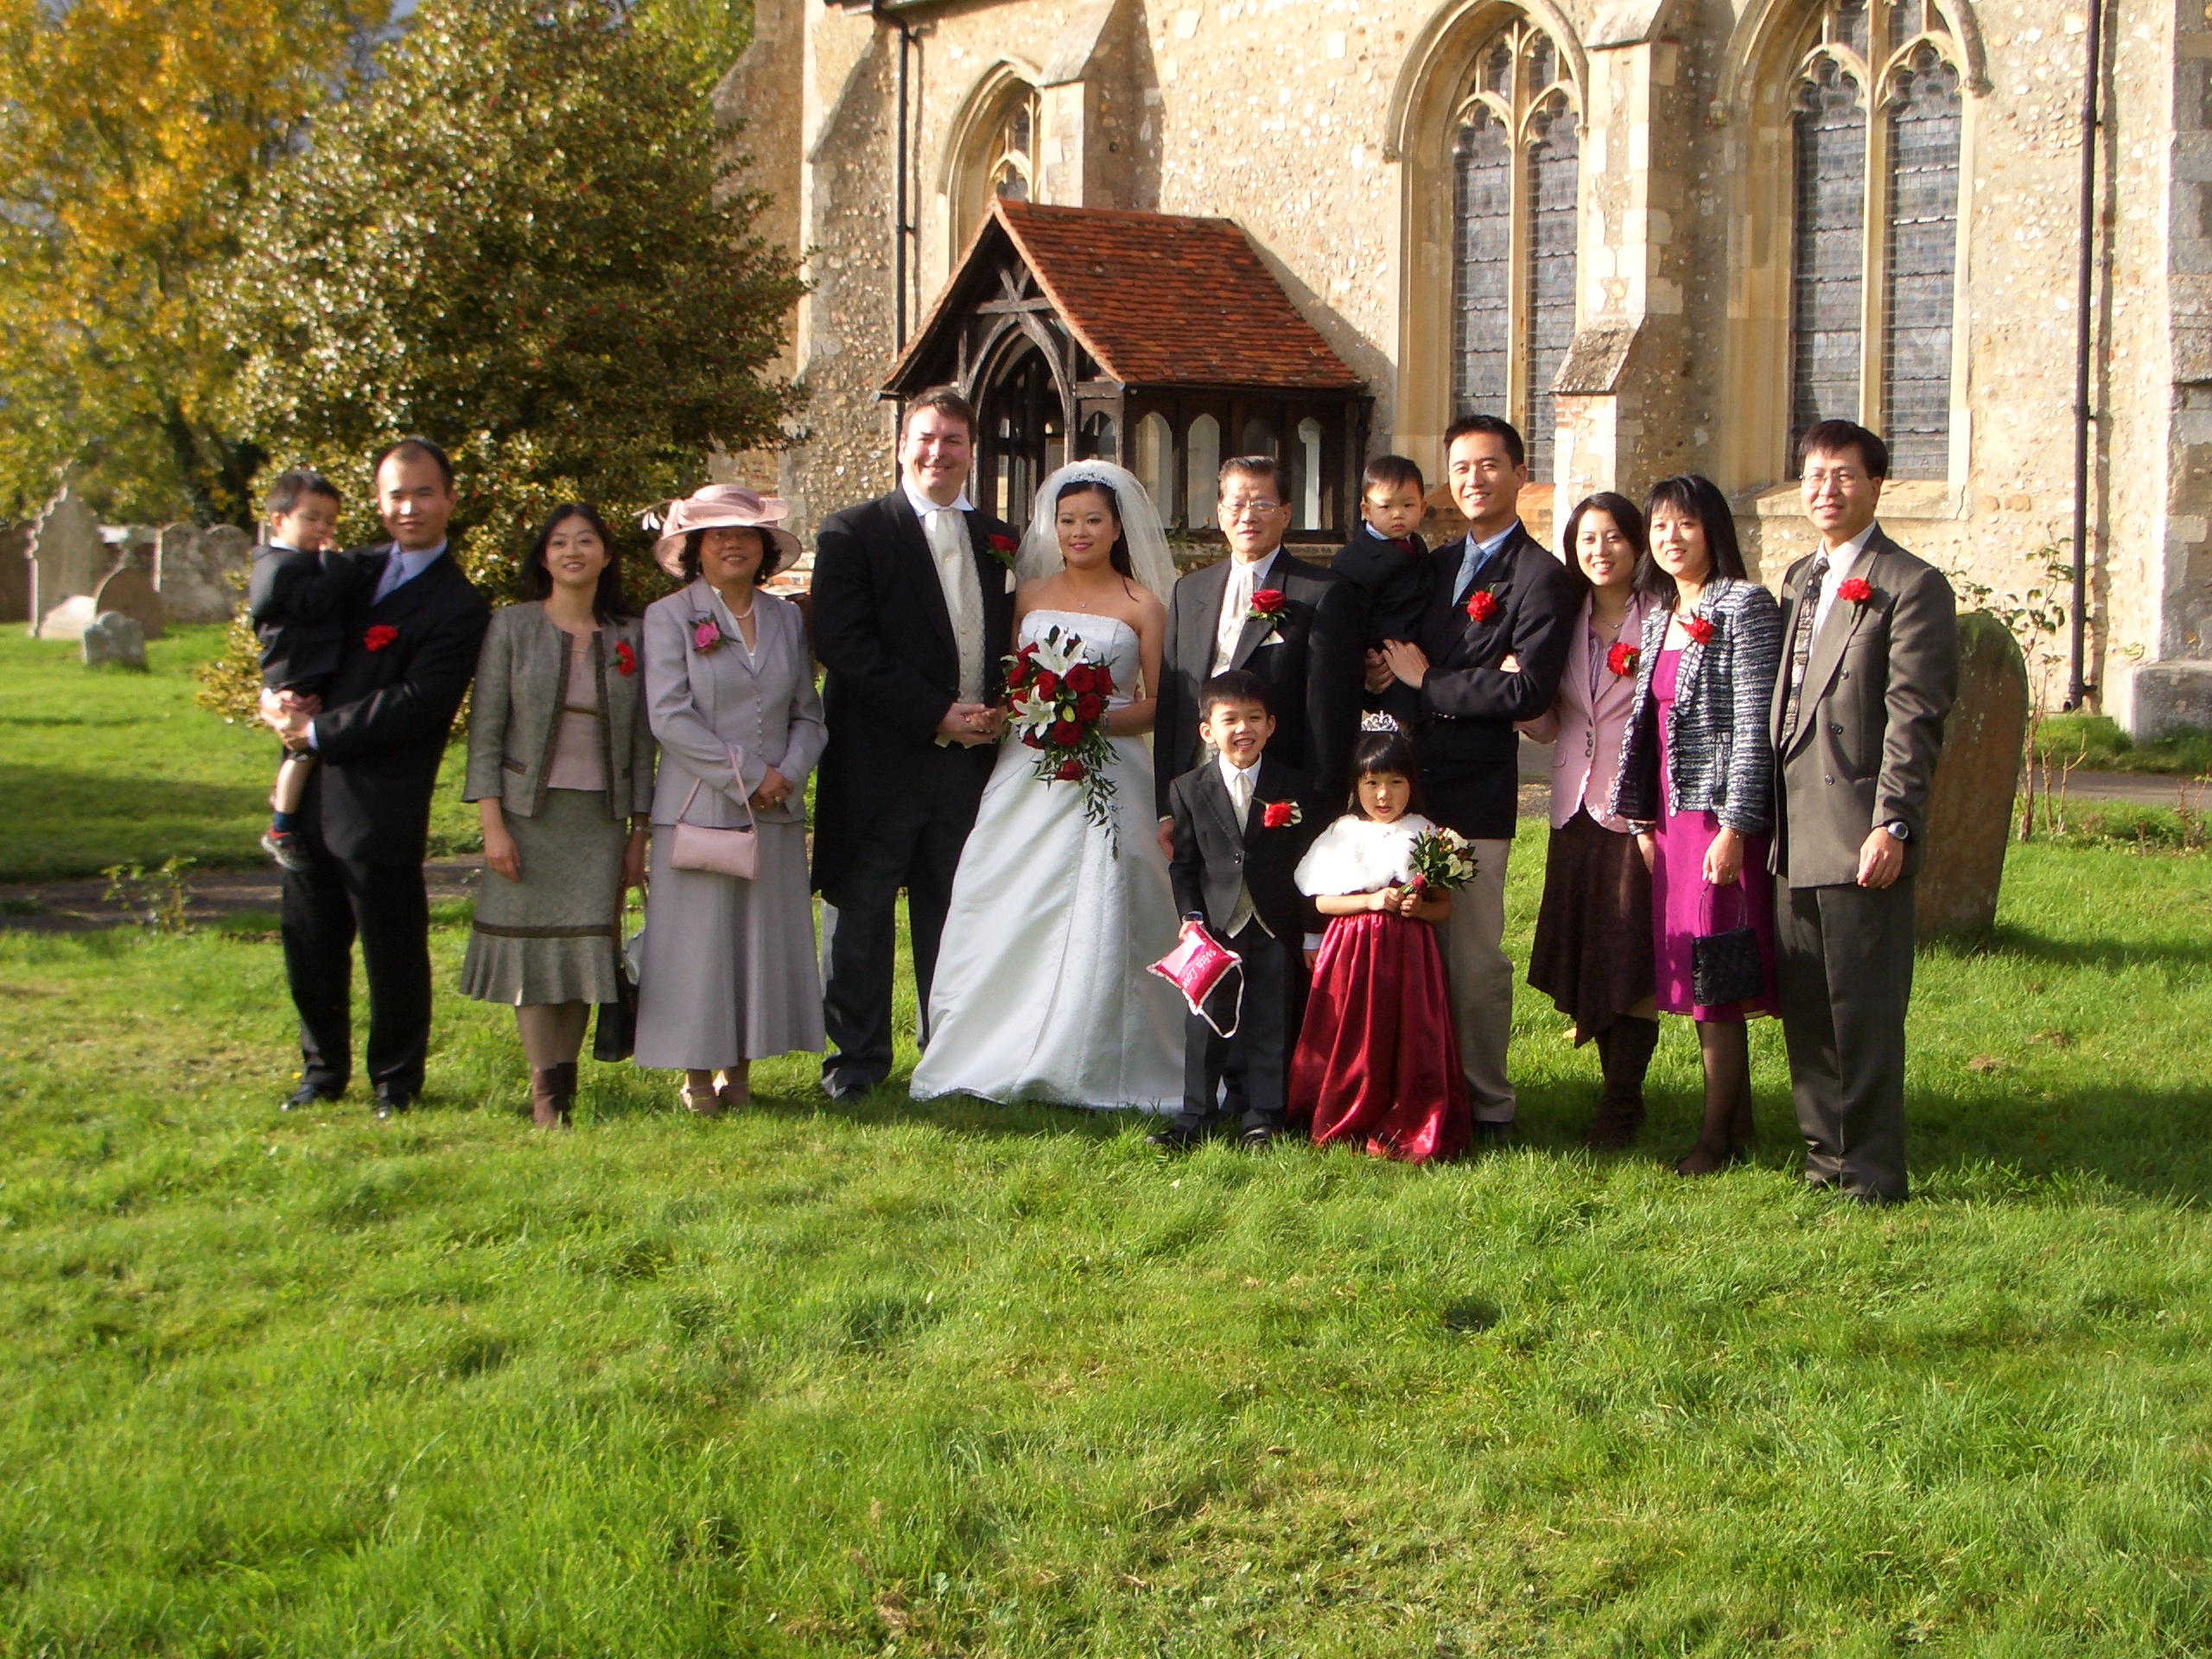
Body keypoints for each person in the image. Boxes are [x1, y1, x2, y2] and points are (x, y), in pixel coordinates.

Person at [912, 463, 1186, 1109]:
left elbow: (1159, 704)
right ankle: (993, 1042)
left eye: (1093, 520)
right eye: (1067, 521)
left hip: (1111, 769)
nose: (1079, 532)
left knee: (1107, 902)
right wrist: (1021, 713)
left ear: (1117, 528)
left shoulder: (1144, 606)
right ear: (1052, 527)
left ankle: (1095, 1053)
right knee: (1007, 891)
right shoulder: (1028, 596)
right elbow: (1010, 681)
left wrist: (1091, 718)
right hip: (1028, 768)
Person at [259, 436, 492, 1118]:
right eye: (396, 495)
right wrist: (272, 698)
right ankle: (321, 1072)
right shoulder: (345, 569)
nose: (409, 508)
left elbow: (420, 703)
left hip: (381, 796)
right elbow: (285, 630)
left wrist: (317, 731)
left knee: (392, 949)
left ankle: (396, 1081)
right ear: (378, 501)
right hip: (306, 790)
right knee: (309, 940)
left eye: (423, 493)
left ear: (450, 499)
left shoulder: (459, 604)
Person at [810, 388, 1019, 1099]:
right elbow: (844, 643)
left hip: (972, 763)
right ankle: (856, 1064)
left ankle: (948, 1056)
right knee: (861, 913)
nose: (939, 452)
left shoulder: (999, 539)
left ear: (972, 452)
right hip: (879, 758)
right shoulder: (854, 532)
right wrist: (935, 713)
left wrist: (1002, 704)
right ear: (902, 446)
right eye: (926, 438)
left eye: (954, 440)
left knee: (954, 912)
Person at [1769, 421, 1958, 1204]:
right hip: (1789, 832)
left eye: (1844, 475)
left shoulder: (1911, 585)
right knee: (1808, 1009)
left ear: (1877, 485)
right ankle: (1825, 1159)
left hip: (1858, 829)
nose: (1826, 490)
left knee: (1863, 1011)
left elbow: (1915, 717)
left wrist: (1894, 822)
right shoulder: (1797, 580)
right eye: (1814, 476)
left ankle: (1873, 1173)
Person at [1377, 414, 1575, 1142]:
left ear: (1520, 475)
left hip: (1474, 792)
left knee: (1472, 959)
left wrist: (1430, 681)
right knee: (1405, 945)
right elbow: (1396, 657)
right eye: (1460, 467)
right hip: (1403, 788)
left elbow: (1527, 692)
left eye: (1489, 465)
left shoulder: (1542, 577)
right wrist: (1400, 675)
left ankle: (1488, 1101)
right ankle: (1415, 1088)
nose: (1474, 479)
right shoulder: (1430, 567)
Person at [1609, 475, 1784, 1175]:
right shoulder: (1659, 617)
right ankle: (1738, 1125)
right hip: (1672, 824)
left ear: (1713, 528)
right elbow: (1647, 730)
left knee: (1718, 977)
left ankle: (1715, 1142)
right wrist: (1642, 821)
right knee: (1693, 972)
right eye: (1659, 526)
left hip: (1718, 820)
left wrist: (1737, 827)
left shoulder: (1745, 606)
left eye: (1685, 523)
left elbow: (1754, 726)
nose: (1670, 537)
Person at [457, 504, 653, 1128]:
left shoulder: (631, 636)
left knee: (581, 957)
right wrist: (492, 825)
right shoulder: (511, 626)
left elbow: (643, 743)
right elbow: (486, 732)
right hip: (526, 818)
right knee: (534, 959)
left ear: (606, 555)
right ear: (544, 557)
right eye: (560, 542)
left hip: (600, 821)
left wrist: (639, 833)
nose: (573, 552)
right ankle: (545, 1097)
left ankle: (563, 1090)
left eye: (586, 541)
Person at [632, 486, 826, 1113]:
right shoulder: (668, 617)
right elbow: (670, 716)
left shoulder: (785, 619)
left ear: (765, 547)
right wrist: (750, 775)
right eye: (719, 534)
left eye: (745, 533)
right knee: (699, 948)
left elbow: (809, 714)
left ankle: (738, 1076)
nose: (734, 543)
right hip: (700, 808)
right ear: (696, 548)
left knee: (754, 944)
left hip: (773, 811)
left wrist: (787, 775)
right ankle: (696, 1077)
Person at [1517, 492, 1660, 1149]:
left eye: (1613, 538)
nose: (1600, 551)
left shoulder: (1662, 617)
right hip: (1572, 806)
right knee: (1590, 950)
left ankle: (1623, 1102)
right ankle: (1612, 1091)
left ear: (1636, 544)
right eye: (1587, 540)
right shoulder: (1563, 618)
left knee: (1630, 952)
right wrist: (1515, 691)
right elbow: (1550, 724)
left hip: (1637, 809)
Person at [1148, 670, 1325, 1150]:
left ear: (1271, 725)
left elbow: (1310, 865)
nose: (1243, 729)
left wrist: (1310, 931)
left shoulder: (1294, 785)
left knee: (1271, 1019)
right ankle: (1195, 1116)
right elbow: (1184, 865)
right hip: (1216, 927)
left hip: (1274, 923)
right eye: (1230, 720)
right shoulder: (1188, 788)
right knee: (1204, 1023)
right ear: (1208, 731)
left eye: (1254, 718)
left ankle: (1263, 1117)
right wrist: (1191, 920)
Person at [1154, 456, 1360, 854]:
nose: (1248, 515)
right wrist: (1167, 805)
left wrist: (1323, 811)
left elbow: (1330, 716)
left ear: (1286, 513)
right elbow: (1173, 705)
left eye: (1262, 504)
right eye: (1237, 504)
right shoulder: (1188, 591)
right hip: (1199, 788)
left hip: (1279, 798)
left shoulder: (1320, 593)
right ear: (1220, 513)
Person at [1287, 726, 1470, 1164]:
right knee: (1356, 1031)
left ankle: (1408, 1112)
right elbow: (1321, 901)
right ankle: (1348, 1108)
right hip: (1352, 953)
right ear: (1356, 786)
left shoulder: (1427, 835)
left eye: (1395, 782)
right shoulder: (1342, 832)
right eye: (1371, 783)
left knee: (1408, 1032)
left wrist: (1418, 909)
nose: (1383, 795)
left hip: (1410, 956)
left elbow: (1443, 907)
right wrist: (1368, 901)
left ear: (1411, 784)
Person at [246, 467, 346, 872]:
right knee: (302, 749)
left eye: (330, 521)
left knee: (299, 748)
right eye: (312, 518)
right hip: (294, 673)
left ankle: (284, 808)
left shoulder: (284, 563)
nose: (323, 528)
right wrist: (333, 566)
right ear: (279, 520)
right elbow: (312, 604)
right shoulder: (282, 567)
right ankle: (281, 826)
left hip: (296, 669)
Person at [1332, 454, 1432, 732]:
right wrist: (1366, 661)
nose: (1398, 514)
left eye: (1408, 505)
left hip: (1422, 659)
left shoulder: (1419, 547)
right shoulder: (1352, 562)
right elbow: (1347, 622)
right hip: (1382, 663)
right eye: (1386, 506)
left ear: (1423, 507)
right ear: (1366, 510)